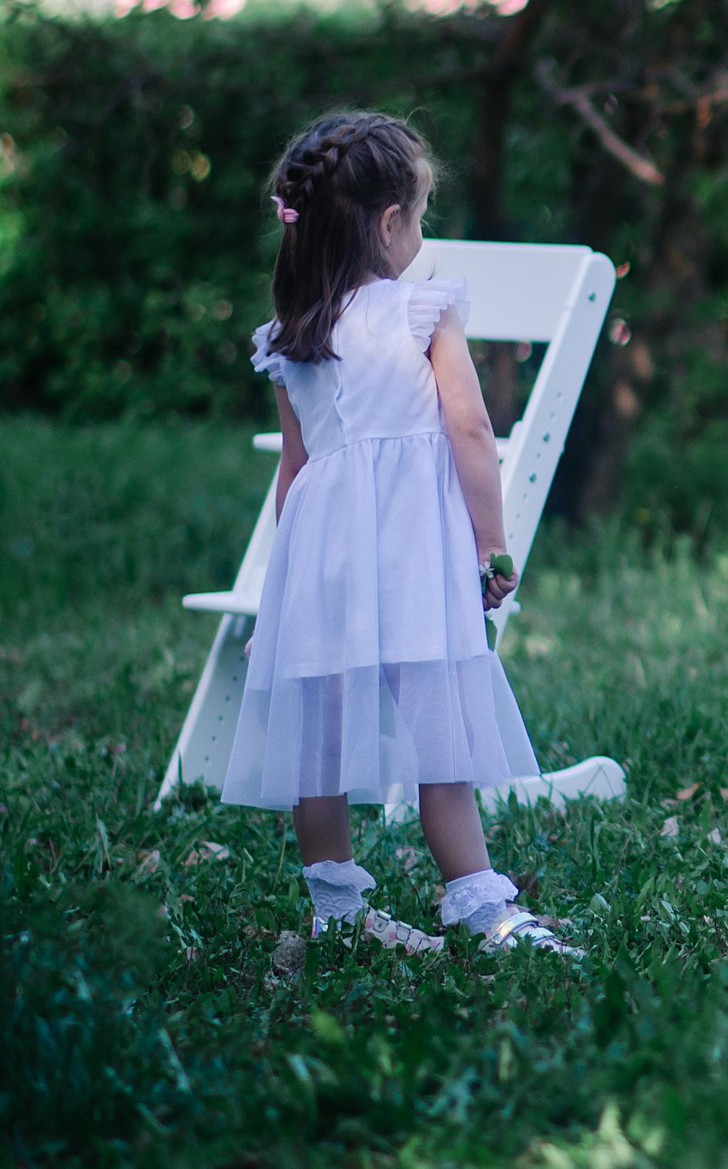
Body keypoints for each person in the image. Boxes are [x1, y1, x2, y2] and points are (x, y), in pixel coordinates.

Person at [222, 110, 578, 957]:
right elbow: (469, 431)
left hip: (323, 563)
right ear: (390, 224)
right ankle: (481, 906)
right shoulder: (422, 309)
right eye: (418, 215)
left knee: (321, 738)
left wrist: (282, 589)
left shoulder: (290, 337)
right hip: (415, 557)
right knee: (440, 730)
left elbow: (295, 472)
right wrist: (492, 544)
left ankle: (336, 911)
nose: (422, 232)